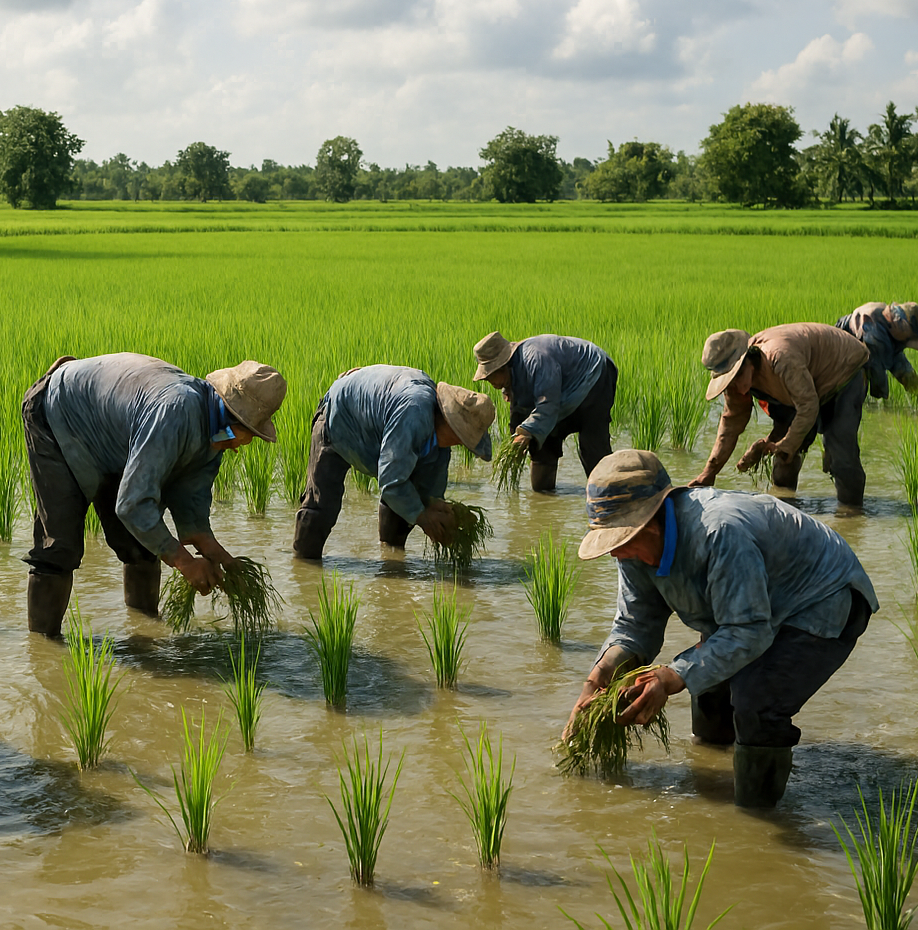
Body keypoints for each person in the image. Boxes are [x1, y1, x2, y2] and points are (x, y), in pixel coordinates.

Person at [570, 450, 876, 807]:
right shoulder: (633, 551)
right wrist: (597, 681)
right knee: (710, 688)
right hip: (750, 606)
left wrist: (669, 678)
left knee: (756, 699)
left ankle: (755, 820)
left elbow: (749, 631)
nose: (614, 553)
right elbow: (636, 625)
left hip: (821, 600)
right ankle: (712, 782)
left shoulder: (718, 532)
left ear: (652, 520)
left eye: (620, 540)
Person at [22, 353, 286, 637]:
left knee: (141, 546)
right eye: (248, 433)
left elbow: (191, 503)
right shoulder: (175, 411)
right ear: (232, 415)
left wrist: (223, 560)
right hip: (59, 412)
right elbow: (133, 504)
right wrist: (185, 563)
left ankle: (145, 632)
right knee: (59, 547)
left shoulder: (215, 436)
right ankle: (43, 648)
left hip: (112, 440)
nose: (244, 443)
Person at [292, 365, 494, 559]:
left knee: (406, 500)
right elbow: (391, 482)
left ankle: (391, 560)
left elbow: (428, 494)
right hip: (337, 417)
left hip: (372, 429)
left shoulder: (439, 449)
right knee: (321, 506)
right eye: (463, 439)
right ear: (450, 425)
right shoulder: (414, 413)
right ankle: (303, 568)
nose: (461, 444)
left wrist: (447, 512)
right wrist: (424, 519)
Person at [691, 323, 870, 506]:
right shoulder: (736, 386)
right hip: (804, 387)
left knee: (841, 454)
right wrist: (709, 472)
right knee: (783, 459)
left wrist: (788, 444)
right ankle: (786, 506)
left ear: (748, 362)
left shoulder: (781, 358)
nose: (735, 386)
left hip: (844, 369)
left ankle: (851, 516)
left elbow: (808, 406)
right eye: (729, 381)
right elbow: (730, 425)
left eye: (736, 376)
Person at [471, 331, 616, 491]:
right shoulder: (512, 376)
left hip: (593, 374)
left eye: (490, 376)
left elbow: (548, 404)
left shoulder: (536, 358)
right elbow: (519, 412)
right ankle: (543, 498)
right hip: (562, 392)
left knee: (592, 446)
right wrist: (516, 439)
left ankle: (608, 495)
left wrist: (526, 432)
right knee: (541, 444)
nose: (489, 382)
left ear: (502, 366)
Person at [837, 301, 918, 400]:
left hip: (878, 342)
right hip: (846, 346)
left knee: (906, 374)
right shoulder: (874, 331)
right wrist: (884, 403)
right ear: (902, 326)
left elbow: (899, 363)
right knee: (855, 386)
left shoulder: (893, 325)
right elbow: (877, 371)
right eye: (909, 338)